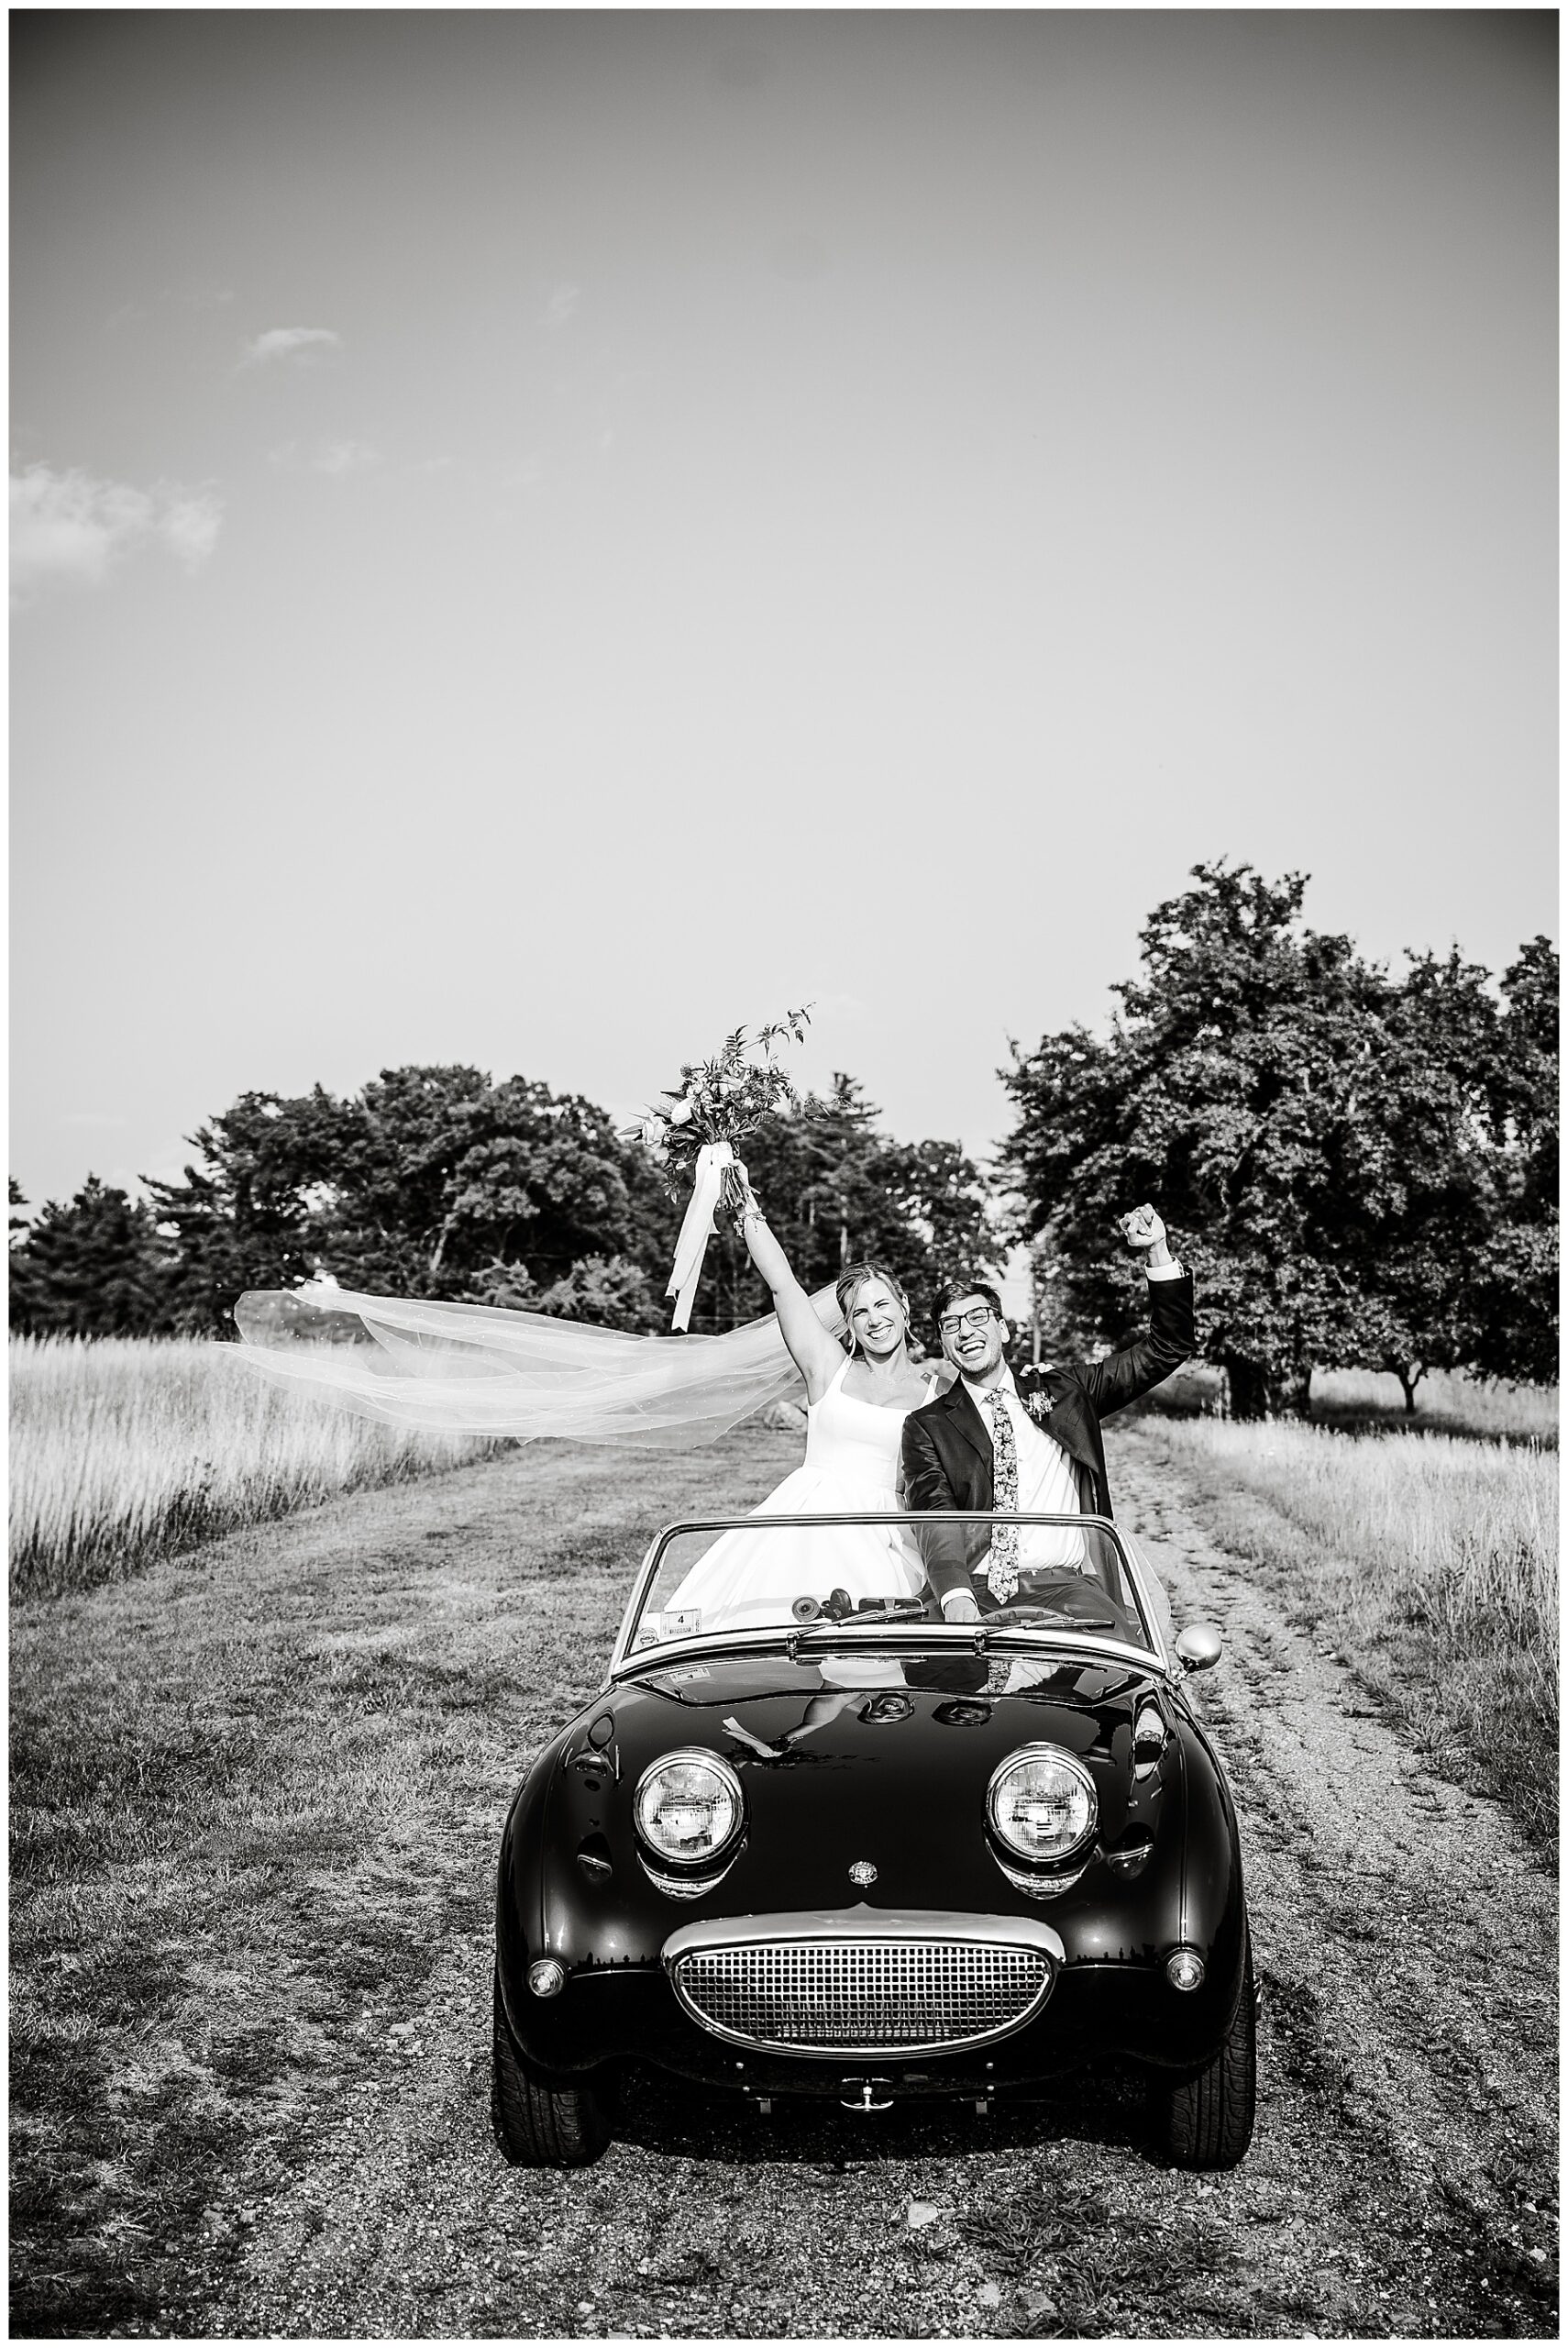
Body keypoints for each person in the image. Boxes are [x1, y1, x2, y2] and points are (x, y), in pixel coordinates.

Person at [657, 1167, 953, 1629]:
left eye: (882, 1305)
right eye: (860, 1312)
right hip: (805, 1524)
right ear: (849, 1325)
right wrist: (747, 1207)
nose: (874, 1320)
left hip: (888, 1537)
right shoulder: (827, 1369)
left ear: (904, 1307)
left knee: (870, 1666)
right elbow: (784, 1286)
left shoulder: (937, 1393)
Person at [900, 1204, 1193, 1624]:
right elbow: (936, 1515)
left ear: (1002, 1329)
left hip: (1066, 1588)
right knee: (932, 1681)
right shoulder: (926, 1425)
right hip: (973, 1590)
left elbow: (1168, 1347)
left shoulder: (1066, 1390)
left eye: (977, 1317)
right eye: (951, 1325)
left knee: (1109, 1674)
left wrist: (1158, 1252)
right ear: (945, 1346)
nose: (966, 1331)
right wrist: (956, 1597)